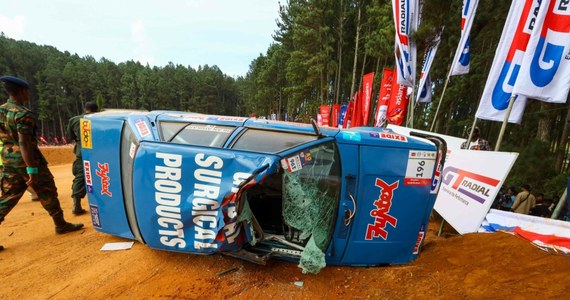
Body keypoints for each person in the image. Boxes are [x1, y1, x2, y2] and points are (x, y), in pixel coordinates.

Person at [0, 76, 83, 251]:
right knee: (47, 190)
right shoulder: (23, 114)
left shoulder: (1, 111)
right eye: (27, 91)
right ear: (22, 91)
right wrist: (31, 169)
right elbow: (24, 143)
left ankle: (61, 224)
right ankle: (60, 224)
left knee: (8, 197)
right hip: (27, 160)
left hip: (8, 160)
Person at [66, 101, 99, 215]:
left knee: (81, 177)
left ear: (85, 109)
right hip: (100, 152)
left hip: (82, 151)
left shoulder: (74, 120)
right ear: (97, 110)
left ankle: (77, 205)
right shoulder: (100, 120)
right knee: (104, 176)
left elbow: (69, 137)